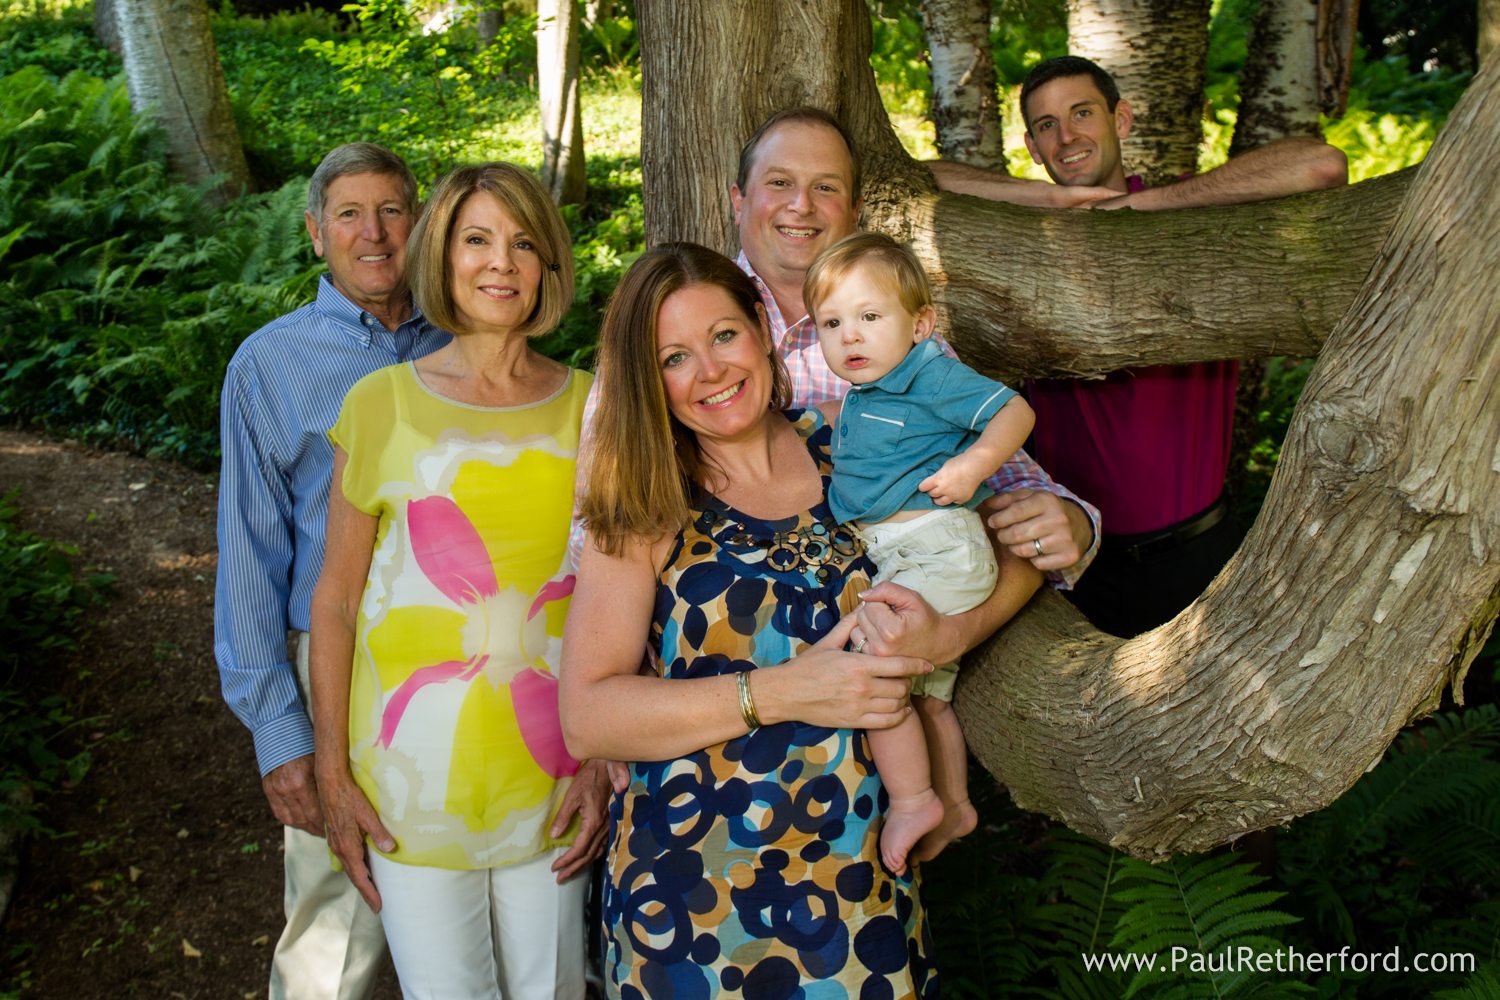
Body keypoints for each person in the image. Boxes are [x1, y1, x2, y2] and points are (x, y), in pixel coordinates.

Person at [559, 243, 1042, 997]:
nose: (712, 371)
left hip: (861, 879)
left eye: (723, 336)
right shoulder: (646, 499)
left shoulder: (850, 440)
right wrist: (783, 691)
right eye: (674, 358)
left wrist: (948, 637)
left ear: (762, 327)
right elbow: (588, 715)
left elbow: (1014, 556)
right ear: (648, 381)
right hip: (693, 897)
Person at [309, 162, 610, 999]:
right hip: (408, 780)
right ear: (441, 257)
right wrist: (333, 777)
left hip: (554, 776)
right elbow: (332, 602)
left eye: (522, 243)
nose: (500, 263)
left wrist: (599, 758)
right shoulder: (379, 404)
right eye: (477, 239)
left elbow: (617, 598)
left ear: (549, 264)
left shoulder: (596, 407)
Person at [932, 56, 1348, 636]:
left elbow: (1320, 165)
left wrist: (1131, 210)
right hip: (1066, 559)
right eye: (1047, 125)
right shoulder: (1018, 242)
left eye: (1082, 113)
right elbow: (918, 176)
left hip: (1198, 559)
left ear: (1121, 119)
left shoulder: (1193, 218)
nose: (1067, 136)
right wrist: (1052, 204)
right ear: (1031, 145)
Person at [216, 142, 449, 1000]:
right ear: (316, 234)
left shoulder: (471, 341)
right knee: (335, 914)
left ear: (420, 223)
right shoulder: (268, 367)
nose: (374, 232)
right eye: (349, 214)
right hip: (336, 663)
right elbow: (248, 556)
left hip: (471, 657)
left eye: (392, 209)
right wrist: (281, 733)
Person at [727, 106, 1101, 585]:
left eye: (826, 186)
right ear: (739, 199)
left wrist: (1069, 521)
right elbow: (608, 510)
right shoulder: (680, 323)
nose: (801, 204)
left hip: (904, 588)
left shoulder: (899, 338)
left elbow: (1005, 473)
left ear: (855, 210)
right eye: (779, 182)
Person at [804, 232, 1035, 875]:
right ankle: (957, 804)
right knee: (928, 698)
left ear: (920, 323)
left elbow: (1013, 410)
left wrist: (974, 465)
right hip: (910, 553)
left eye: (869, 317)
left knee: (873, 672)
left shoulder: (928, 371)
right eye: (832, 323)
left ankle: (913, 800)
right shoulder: (865, 391)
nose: (850, 336)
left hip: (936, 549)